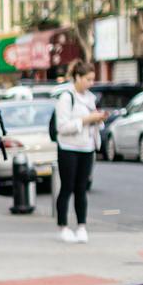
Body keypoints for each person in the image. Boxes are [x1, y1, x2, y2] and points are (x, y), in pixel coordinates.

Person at [50, 60, 106, 244]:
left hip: (87, 147)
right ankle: (63, 226)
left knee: (82, 188)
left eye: (92, 79)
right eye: (88, 79)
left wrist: (98, 119)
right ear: (77, 77)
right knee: (67, 187)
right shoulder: (66, 97)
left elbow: (93, 121)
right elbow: (62, 127)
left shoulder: (90, 98)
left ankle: (82, 226)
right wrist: (86, 120)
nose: (90, 83)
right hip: (68, 147)